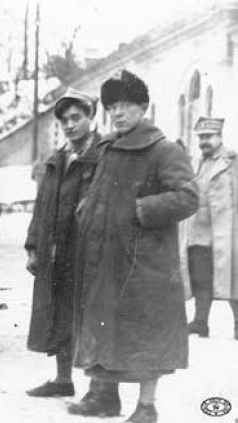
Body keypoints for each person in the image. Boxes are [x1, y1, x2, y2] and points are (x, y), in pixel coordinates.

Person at [71, 69, 198, 423]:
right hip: (106, 258)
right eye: (112, 106)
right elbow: (99, 189)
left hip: (145, 263)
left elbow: (188, 197)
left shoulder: (163, 150)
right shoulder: (108, 148)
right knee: (102, 326)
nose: (118, 113)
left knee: (144, 335)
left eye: (126, 105)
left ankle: (146, 407)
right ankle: (104, 397)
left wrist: (143, 210)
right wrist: (88, 209)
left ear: (143, 107)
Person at [25, 88, 102, 398]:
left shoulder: (104, 155)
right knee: (60, 313)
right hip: (59, 252)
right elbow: (42, 206)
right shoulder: (57, 160)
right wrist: (33, 247)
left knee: (93, 317)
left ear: (90, 118)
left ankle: (100, 388)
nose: (70, 125)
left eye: (76, 118)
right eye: (65, 120)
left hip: (91, 251)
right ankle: (62, 379)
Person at [182, 117, 238, 339]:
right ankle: (200, 322)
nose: (204, 141)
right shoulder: (196, 162)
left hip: (227, 230)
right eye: (201, 137)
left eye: (208, 137)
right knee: (201, 278)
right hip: (199, 231)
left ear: (220, 136)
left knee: (234, 278)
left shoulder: (231, 161)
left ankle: (237, 324)